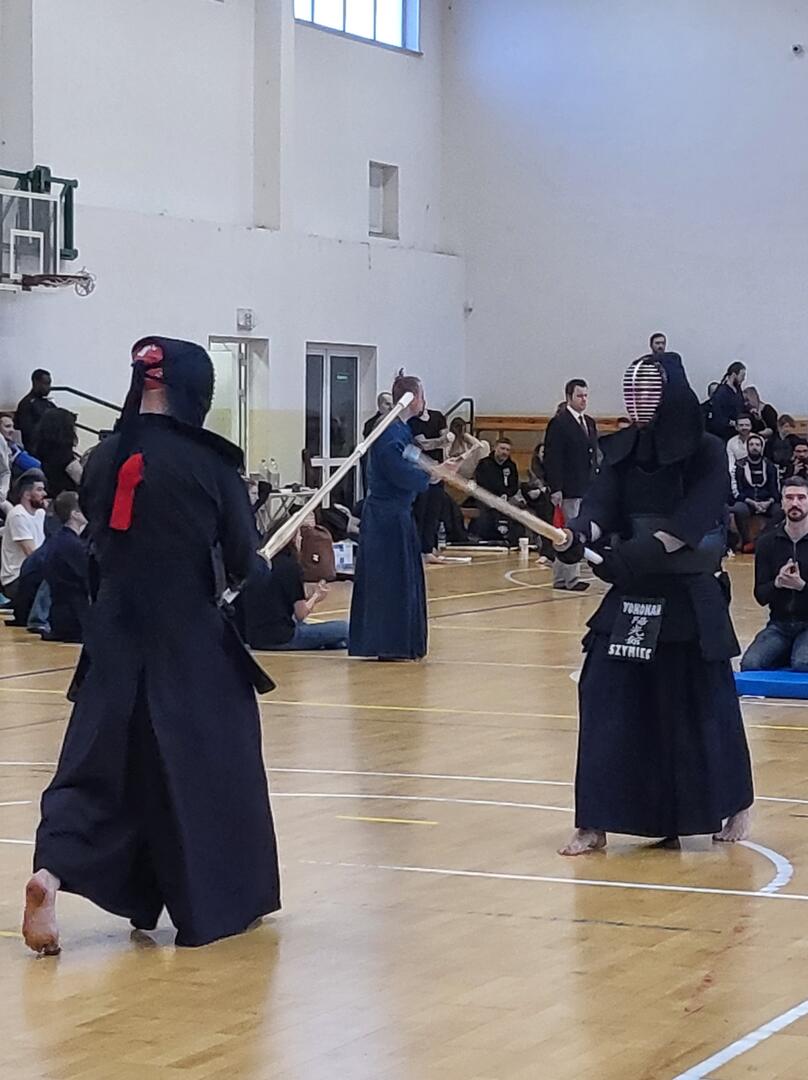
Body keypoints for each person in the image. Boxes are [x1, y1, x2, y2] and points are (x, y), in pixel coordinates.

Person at [23, 336, 280, 956]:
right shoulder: (210, 465)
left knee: (95, 767)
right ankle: (215, 902)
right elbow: (243, 558)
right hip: (188, 643)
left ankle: (50, 874)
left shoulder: (103, 458)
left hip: (113, 641)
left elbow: (104, 545)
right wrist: (257, 569)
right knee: (210, 764)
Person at [553, 351, 753, 854]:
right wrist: (578, 536)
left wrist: (634, 554)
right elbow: (601, 506)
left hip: (688, 597)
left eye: (650, 390)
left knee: (704, 705)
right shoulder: (624, 450)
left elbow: (692, 522)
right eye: (634, 391)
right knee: (603, 693)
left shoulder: (707, 451)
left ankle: (733, 803)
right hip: (635, 596)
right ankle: (595, 820)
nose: (639, 401)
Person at [349, 373, 431, 660]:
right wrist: (428, 478)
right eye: (422, 395)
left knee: (401, 579)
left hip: (398, 514)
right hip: (386, 518)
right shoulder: (389, 432)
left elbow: (412, 461)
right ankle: (387, 643)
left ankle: (402, 643)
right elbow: (400, 472)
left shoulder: (402, 430)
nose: (424, 401)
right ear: (412, 398)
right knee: (389, 581)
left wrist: (437, 469)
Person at [741, 477, 808, 672]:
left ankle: (795, 652)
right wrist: (777, 583)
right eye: (790, 498)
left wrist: (802, 586)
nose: (795, 503)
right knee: (750, 664)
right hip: (779, 624)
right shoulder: (766, 543)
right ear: (782, 502)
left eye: (801, 498)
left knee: (802, 665)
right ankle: (788, 650)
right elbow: (760, 595)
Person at [238, 533, 347, 650]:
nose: (301, 538)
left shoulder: (258, 563)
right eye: (298, 535)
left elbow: (277, 598)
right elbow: (301, 614)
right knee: (344, 628)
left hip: (254, 638)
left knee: (324, 632)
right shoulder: (290, 566)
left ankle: (333, 642)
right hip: (283, 638)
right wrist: (316, 596)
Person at [543, 378, 598, 592]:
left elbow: (593, 456)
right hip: (568, 488)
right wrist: (556, 487)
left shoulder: (589, 423)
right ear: (569, 397)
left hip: (586, 486)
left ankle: (561, 578)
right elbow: (553, 458)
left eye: (586, 396)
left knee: (572, 533)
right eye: (579, 396)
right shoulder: (559, 423)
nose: (584, 400)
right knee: (568, 534)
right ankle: (569, 578)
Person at [42, 491, 89, 643]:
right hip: (73, 618)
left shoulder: (60, 539)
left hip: (60, 613)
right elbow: (88, 576)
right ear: (75, 514)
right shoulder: (72, 545)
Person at [409, 400, 451, 562]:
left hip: (438, 471)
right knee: (420, 510)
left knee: (434, 512)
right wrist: (441, 440)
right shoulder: (412, 422)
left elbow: (446, 439)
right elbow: (424, 445)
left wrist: (440, 441)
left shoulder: (437, 416)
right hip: (422, 471)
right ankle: (417, 549)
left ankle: (428, 548)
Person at [0, 470, 47, 602]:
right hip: (16, 578)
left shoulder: (40, 514)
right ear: (26, 494)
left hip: (34, 573)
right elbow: (31, 553)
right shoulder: (18, 515)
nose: (44, 494)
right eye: (39, 490)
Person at [731, 434, 780, 551]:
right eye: (751, 445)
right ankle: (746, 541)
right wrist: (751, 502)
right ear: (747, 447)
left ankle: (762, 540)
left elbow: (775, 489)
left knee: (780, 511)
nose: (754, 447)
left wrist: (769, 502)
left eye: (757, 445)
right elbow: (737, 490)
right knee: (739, 509)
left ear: (762, 448)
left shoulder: (770, 465)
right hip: (747, 501)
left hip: (767, 502)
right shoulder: (739, 465)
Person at [473, 439, 521, 544]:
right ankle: (487, 538)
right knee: (487, 511)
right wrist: (496, 496)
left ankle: (512, 539)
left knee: (518, 511)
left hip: (506, 497)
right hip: (486, 496)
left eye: (507, 450)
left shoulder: (511, 466)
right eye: (502, 448)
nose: (505, 452)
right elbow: (481, 482)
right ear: (495, 448)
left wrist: (506, 494)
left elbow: (514, 485)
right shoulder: (484, 463)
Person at [33, 407, 82, 499]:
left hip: (47, 495)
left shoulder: (38, 449)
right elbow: (81, 479)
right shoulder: (66, 455)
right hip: (67, 497)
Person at [14, 369, 57, 452]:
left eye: (49, 384)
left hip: (50, 448)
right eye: (46, 383)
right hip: (36, 450)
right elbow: (28, 432)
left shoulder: (48, 403)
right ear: (36, 382)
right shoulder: (26, 404)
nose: (49, 387)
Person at [706, 362, 746, 441]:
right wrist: (731, 422)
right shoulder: (721, 392)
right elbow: (718, 414)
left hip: (738, 432)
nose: (744, 379)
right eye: (742, 376)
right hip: (725, 433)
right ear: (734, 375)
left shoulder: (738, 390)